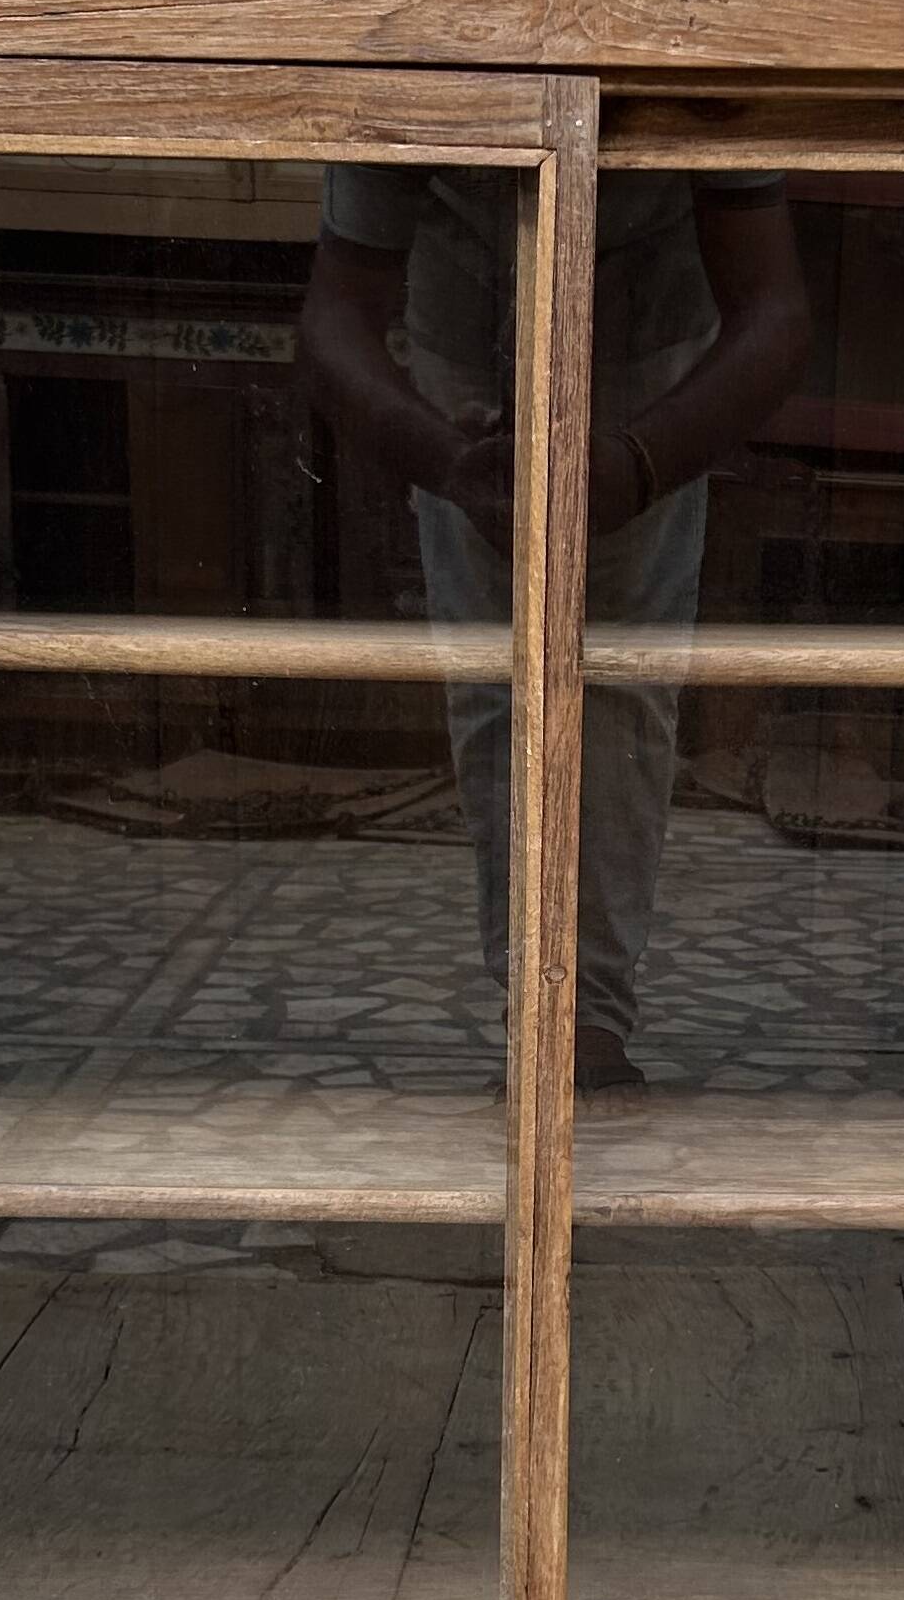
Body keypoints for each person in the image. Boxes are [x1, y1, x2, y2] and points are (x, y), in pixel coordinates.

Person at [299, 165, 810, 1101]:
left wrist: (640, 460)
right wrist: (449, 461)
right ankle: (541, 1017)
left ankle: (586, 1022)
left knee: (619, 683)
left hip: (652, 360)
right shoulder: (416, 43)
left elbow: (773, 313)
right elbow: (336, 316)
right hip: (463, 353)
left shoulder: (696, 36)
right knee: (499, 685)